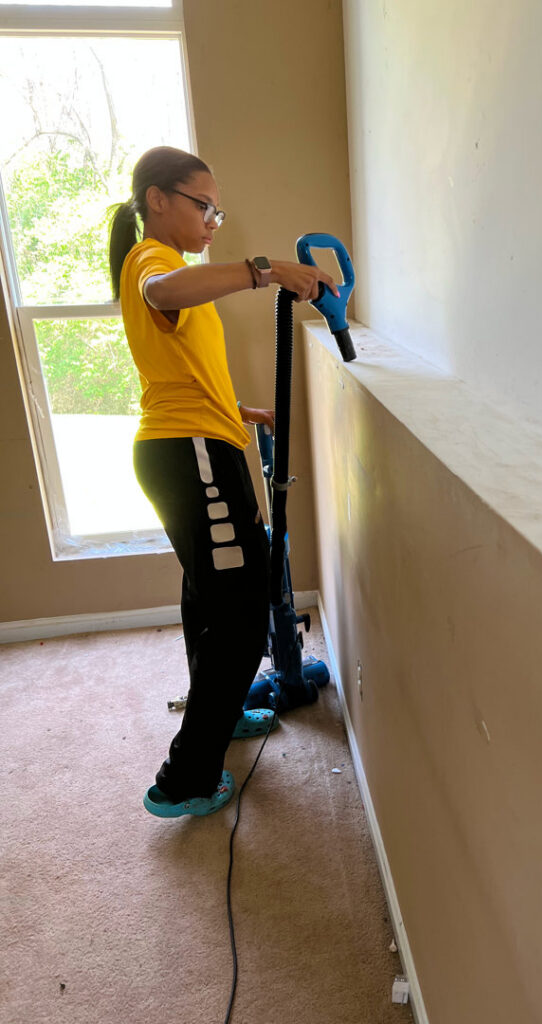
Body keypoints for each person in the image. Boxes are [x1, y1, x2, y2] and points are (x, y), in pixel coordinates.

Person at [108, 146, 337, 819]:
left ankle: (225, 710)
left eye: (218, 211)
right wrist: (266, 271)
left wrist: (239, 411)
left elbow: (180, 369)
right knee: (240, 612)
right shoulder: (153, 261)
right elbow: (162, 294)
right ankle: (185, 779)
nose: (213, 220)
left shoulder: (173, 264)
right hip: (191, 454)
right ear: (157, 200)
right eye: (204, 206)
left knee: (211, 599)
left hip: (201, 443)